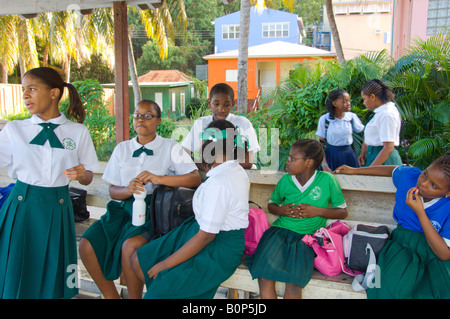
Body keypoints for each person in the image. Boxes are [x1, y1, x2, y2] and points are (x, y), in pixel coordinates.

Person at [79, 100, 201, 299]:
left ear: (159, 121)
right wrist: (128, 189)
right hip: (124, 210)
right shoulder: (122, 149)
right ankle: (112, 295)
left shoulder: (171, 147)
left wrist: (159, 179)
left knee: (130, 246)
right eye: (137, 115)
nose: (141, 120)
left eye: (148, 116)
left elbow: (194, 178)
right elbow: (113, 191)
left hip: (155, 213)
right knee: (86, 244)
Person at [0, 67, 99, 299]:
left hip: (58, 208)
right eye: (24, 90)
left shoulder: (77, 132)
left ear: (54, 93)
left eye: (32, 89)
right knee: (18, 269)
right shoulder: (15, 130)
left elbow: (88, 176)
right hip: (22, 208)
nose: (25, 96)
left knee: (52, 274)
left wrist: (81, 173)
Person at [130, 119, 250, 299]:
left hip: (216, 246)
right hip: (197, 230)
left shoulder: (221, 181)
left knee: (160, 285)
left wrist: (165, 265)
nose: (200, 146)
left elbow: (207, 237)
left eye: (203, 141)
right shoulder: (229, 169)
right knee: (140, 260)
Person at [334, 153, 450, 299]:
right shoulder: (410, 177)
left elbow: (444, 254)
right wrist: (354, 170)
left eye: (434, 185)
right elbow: (392, 170)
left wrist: (420, 213)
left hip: (433, 254)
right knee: (391, 290)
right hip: (402, 248)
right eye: (425, 174)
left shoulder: (447, 207)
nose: (423, 183)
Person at [246, 139, 348, 299]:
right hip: (278, 234)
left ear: (309, 162)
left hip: (305, 239)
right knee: (264, 277)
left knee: (294, 284)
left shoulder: (327, 180)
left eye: (293, 159)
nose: (287, 162)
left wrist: (317, 211)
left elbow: (342, 211)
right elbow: (272, 204)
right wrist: (281, 210)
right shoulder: (286, 180)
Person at [181, 83, 260, 169]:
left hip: (240, 173)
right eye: (216, 104)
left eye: (226, 105)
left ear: (232, 104)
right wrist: (205, 167)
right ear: (209, 103)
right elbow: (185, 153)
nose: (221, 109)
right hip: (212, 173)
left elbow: (248, 162)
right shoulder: (201, 123)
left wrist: (216, 167)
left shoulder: (242, 123)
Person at [316, 89, 364, 172]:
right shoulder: (325, 120)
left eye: (349, 101)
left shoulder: (351, 117)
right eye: (345, 101)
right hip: (331, 156)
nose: (348, 104)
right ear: (334, 103)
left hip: (349, 156)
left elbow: (365, 134)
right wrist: (324, 164)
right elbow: (320, 144)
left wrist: (363, 151)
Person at [359, 79, 402, 166]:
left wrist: (369, 170)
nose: (364, 103)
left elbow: (388, 148)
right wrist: (364, 151)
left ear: (372, 97)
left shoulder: (387, 114)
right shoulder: (380, 113)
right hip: (374, 156)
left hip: (383, 160)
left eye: (364, 99)